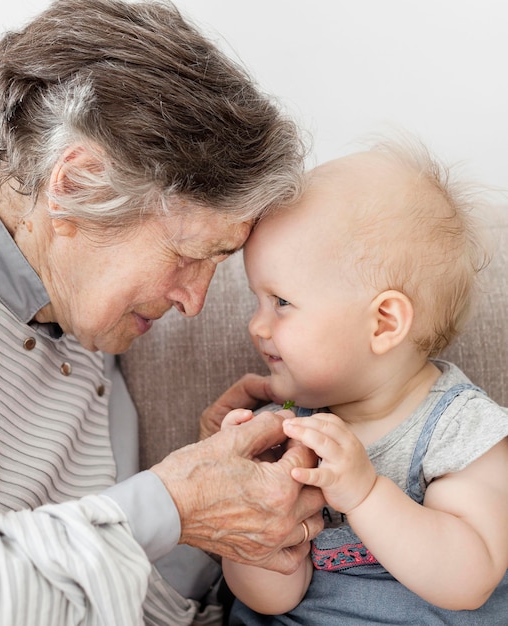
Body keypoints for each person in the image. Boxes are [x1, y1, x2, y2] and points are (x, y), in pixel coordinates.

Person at [0, 1, 326, 624]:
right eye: (187, 255)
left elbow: (106, 598)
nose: (195, 303)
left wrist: (204, 524)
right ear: (78, 183)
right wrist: (170, 505)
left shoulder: (88, 335)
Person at [210, 137, 508, 624]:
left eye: (281, 302)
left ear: (384, 324)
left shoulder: (462, 431)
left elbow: (470, 581)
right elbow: (272, 598)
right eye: (256, 300)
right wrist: (245, 506)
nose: (256, 325)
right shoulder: (282, 428)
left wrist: (366, 494)